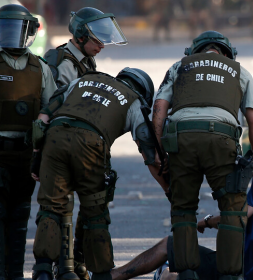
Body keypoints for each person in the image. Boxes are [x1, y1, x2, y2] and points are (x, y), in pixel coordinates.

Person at [31, 68, 169, 280]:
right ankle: (101, 275)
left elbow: (43, 118)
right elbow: (151, 156)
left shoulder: (84, 81)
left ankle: (42, 271)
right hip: (90, 143)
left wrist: (36, 159)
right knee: (95, 214)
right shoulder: (134, 101)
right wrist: (169, 190)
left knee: (51, 207)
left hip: (55, 137)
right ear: (144, 93)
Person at [152, 30, 253, 280]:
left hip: (181, 139)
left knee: (182, 208)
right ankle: (229, 276)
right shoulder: (238, 71)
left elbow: (159, 108)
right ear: (227, 53)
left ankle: (186, 274)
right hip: (222, 139)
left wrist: (161, 151)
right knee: (232, 209)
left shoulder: (178, 67)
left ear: (195, 52)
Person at [108, 167, 253, 280]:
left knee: (170, 248)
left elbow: (237, 216)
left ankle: (114, 276)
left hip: (230, 270)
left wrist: (208, 222)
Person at [43, 7, 128, 279]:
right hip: (58, 139)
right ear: (80, 37)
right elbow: (54, 106)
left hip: (75, 139)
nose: (102, 45)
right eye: (96, 39)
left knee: (90, 202)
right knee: (60, 206)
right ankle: (61, 267)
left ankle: (77, 263)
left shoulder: (85, 60)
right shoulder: (60, 62)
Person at [0, 4, 58, 280]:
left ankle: (14, 274)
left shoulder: (41, 68)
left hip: (26, 154)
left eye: (18, 30)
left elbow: (52, 109)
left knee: (20, 217)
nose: (12, 36)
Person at [44, 7, 128, 88]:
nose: (102, 46)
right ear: (81, 38)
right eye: (97, 41)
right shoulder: (66, 66)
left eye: (103, 41)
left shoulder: (86, 58)